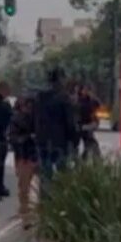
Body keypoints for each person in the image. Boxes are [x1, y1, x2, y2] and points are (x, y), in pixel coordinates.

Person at [34, 68, 77, 197]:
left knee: (45, 173)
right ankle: (60, 201)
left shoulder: (40, 96)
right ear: (60, 79)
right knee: (62, 172)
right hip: (60, 141)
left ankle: (45, 201)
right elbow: (70, 122)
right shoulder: (64, 97)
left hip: (43, 140)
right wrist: (73, 140)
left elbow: (35, 118)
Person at [9, 95, 38, 229]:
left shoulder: (38, 119)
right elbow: (14, 139)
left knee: (30, 188)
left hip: (34, 155)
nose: (30, 109)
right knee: (24, 188)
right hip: (24, 156)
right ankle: (25, 215)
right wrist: (28, 137)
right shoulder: (17, 119)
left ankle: (28, 213)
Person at [77, 84, 102, 159]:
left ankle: (92, 157)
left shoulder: (92, 100)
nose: (86, 92)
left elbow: (98, 106)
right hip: (80, 124)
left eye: (88, 90)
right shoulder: (78, 100)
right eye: (84, 90)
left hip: (88, 124)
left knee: (90, 142)